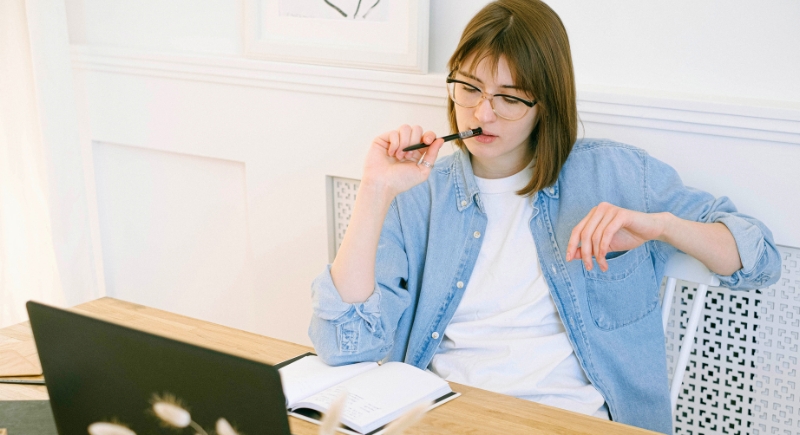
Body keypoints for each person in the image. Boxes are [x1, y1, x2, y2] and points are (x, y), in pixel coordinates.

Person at [308, 0, 782, 433]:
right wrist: (374, 191)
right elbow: (344, 345)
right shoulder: (420, 194)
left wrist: (662, 226)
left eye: (510, 98)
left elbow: (760, 259)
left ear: (546, 103)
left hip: (572, 421)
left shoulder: (617, 173)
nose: (482, 113)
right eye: (469, 88)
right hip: (447, 416)